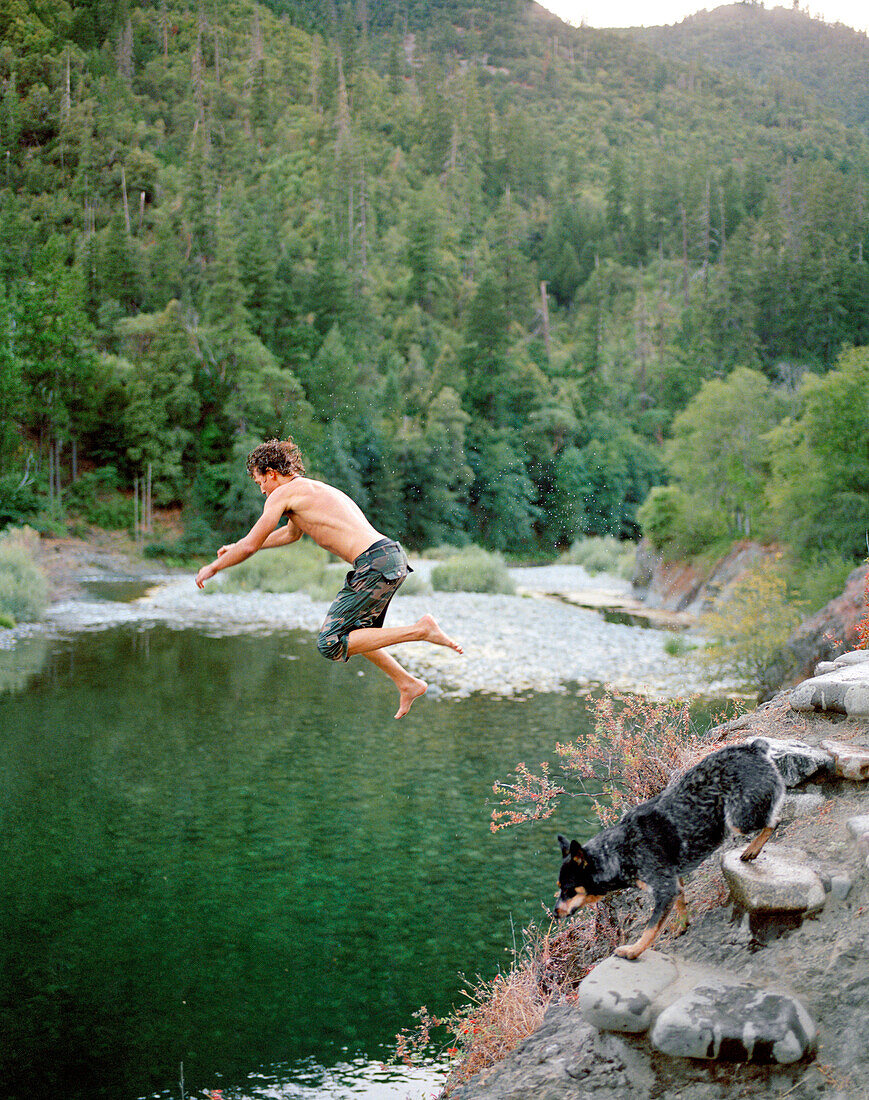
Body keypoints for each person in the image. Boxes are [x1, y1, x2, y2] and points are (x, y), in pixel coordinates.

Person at [195, 438, 462, 718]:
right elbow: (289, 534)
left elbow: (251, 545)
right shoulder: (309, 491)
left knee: (330, 643)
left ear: (271, 473)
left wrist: (214, 566)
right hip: (389, 557)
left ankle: (421, 630)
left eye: (260, 481)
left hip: (374, 563)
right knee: (355, 634)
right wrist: (237, 545)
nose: (261, 489)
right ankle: (406, 682)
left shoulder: (281, 494)